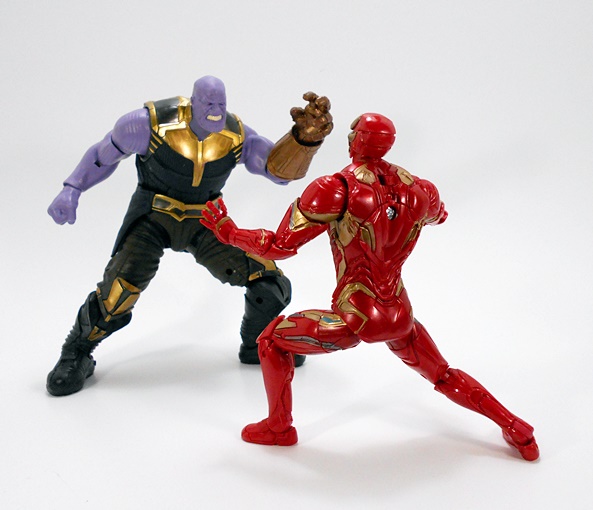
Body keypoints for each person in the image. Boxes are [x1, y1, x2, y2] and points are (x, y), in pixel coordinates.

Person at [200, 113, 539, 461]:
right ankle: (514, 426)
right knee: (442, 374)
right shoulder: (421, 189)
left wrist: (229, 232)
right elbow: (440, 215)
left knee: (271, 341)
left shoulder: (336, 189)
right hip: (399, 315)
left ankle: (278, 427)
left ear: (355, 141)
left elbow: (279, 246)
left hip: (353, 317)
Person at [46, 75, 333, 397]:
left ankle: (257, 344)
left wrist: (303, 141)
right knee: (117, 293)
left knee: (268, 283)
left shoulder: (236, 134)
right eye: (208, 103)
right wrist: (72, 189)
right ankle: (76, 353)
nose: (215, 110)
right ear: (192, 102)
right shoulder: (148, 124)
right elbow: (102, 156)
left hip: (206, 221)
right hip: (153, 217)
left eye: (221, 104)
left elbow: (276, 172)